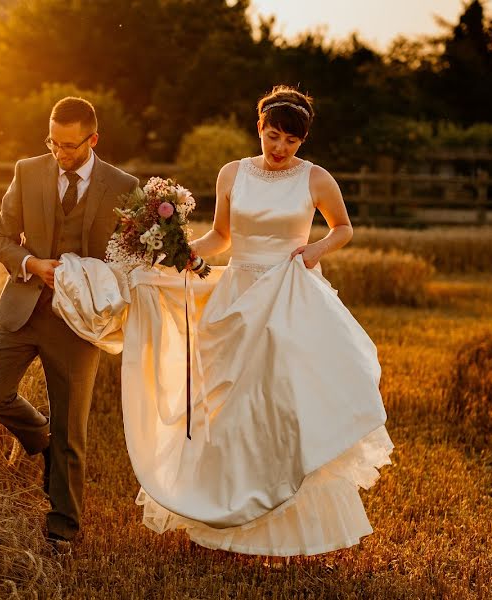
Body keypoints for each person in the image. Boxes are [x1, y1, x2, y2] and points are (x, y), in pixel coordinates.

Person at [50, 85, 394, 556]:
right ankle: (226, 516)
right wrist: (176, 255)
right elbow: (222, 237)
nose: (280, 149)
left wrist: (314, 250)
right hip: (237, 295)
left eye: (291, 142)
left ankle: (285, 521)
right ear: (260, 128)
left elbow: (344, 228)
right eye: (273, 136)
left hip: (287, 298)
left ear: (303, 142)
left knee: (278, 406)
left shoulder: (316, 179)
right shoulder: (232, 173)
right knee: (228, 406)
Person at [0, 96, 138, 548]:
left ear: (93, 139)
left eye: (69, 145)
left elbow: (133, 255)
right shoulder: (27, 172)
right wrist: (31, 262)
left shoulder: (124, 186)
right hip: (25, 308)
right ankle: (41, 438)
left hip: (80, 322)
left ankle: (63, 527)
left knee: (73, 429)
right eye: (53, 142)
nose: (59, 153)